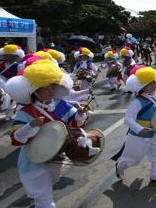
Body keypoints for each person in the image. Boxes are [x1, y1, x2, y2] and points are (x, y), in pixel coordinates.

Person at [6, 59, 92, 208]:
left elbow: (75, 125)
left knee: (51, 182)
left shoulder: (62, 104)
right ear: (35, 90)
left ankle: (39, 197)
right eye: (46, 88)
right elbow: (16, 138)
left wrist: (79, 114)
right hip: (33, 159)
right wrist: (30, 125)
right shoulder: (26, 112)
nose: (51, 91)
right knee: (44, 196)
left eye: (53, 87)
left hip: (57, 155)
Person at [111, 66, 156, 184]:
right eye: (150, 84)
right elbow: (128, 119)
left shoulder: (155, 97)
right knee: (134, 159)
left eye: (154, 83)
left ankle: (154, 176)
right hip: (139, 136)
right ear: (142, 87)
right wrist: (139, 129)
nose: (153, 86)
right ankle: (119, 167)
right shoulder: (136, 102)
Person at [0, 44, 25, 121]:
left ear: (14, 56)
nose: (7, 57)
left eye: (10, 56)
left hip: (12, 85)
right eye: (6, 55)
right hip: (1, 85)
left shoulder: (18, 66)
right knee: (3, 100)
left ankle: (9, 114)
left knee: (11, 100)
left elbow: (20, 76)